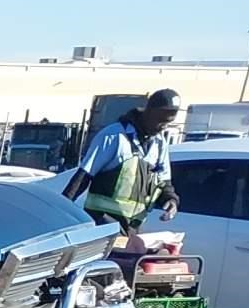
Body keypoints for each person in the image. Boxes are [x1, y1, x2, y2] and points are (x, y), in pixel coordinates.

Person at [64, 89, 181, 232]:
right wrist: (60, 211)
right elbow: (82, 177)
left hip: (131, 227)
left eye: (168, 122)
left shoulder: (160, 143)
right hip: (102, 225)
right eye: (161, 120)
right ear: (149, 112)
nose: (164, 126)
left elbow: (164, 182)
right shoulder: (114, 136)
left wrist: (171, 200)